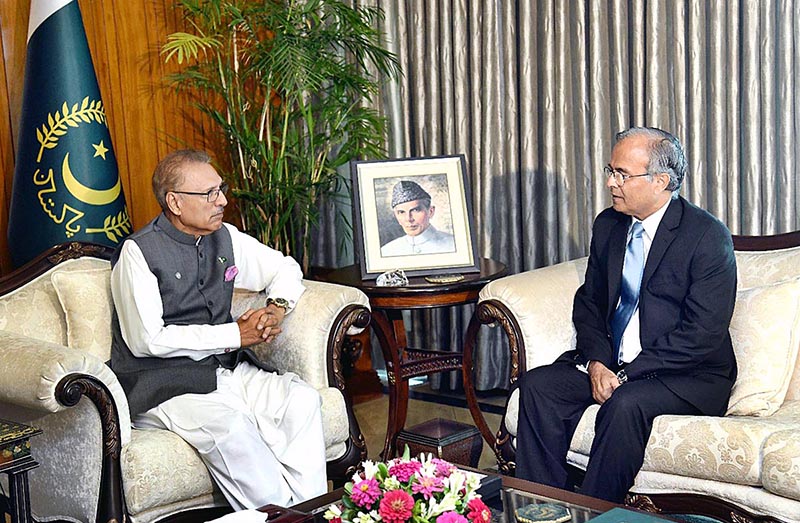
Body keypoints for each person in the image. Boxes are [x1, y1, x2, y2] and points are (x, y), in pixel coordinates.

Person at [515, 127, 737, 503]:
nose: (609, 182)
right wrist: (599, 362)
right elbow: (589, 303)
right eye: (610, 170)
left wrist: (625, 375)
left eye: (621, 174)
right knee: (538, 386)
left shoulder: (706, 237)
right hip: (613, 365)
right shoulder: (609, 225)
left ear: (660, 181)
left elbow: (701, 335)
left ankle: (595, 511)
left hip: (684, 375)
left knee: (624, 404)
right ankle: (541, 508)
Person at [109, 149, 327, 510]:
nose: (222, 200)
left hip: (223, 369)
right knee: (233, 428)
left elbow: (284, 268)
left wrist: (277, 308)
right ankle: (283, 518)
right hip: (163, 383)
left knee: (301, 401)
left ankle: (309, 514)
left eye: (221, 189)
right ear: (175, 202)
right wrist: (234, 335)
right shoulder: (138, 252)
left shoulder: (225, 237)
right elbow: (148, 340)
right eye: (209, 194)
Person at [380, 180, 456, 256]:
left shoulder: (453, 245)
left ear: (431, 211)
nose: (409, 219)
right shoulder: (386, 251)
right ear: (396, 216)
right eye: (402, 212)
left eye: (415, 210)